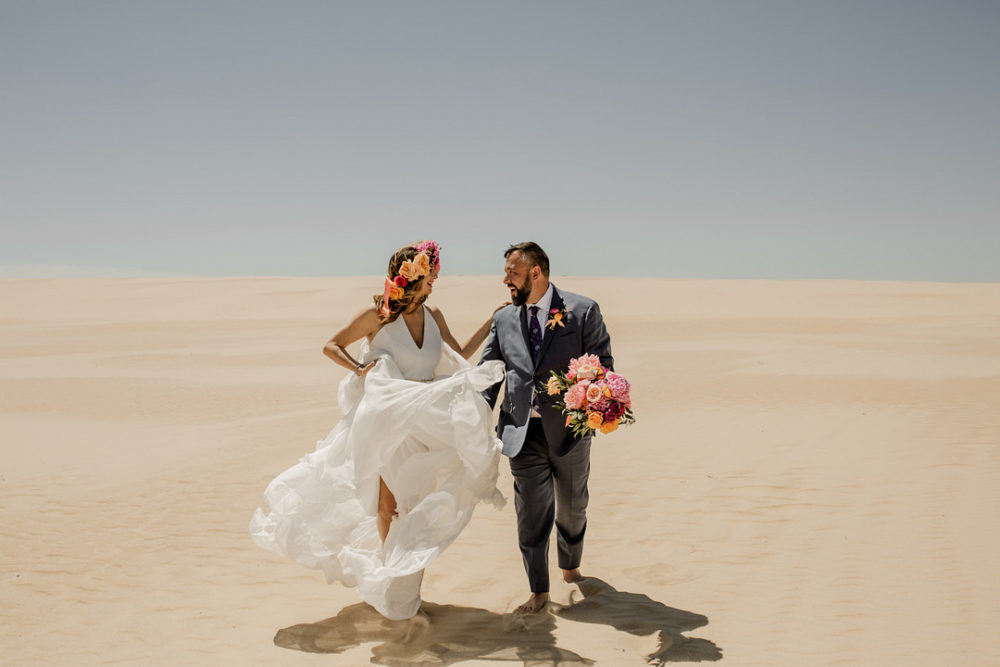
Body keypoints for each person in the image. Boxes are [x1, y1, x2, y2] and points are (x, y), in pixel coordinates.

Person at [250, 240, 507, 620]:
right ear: (414, 276)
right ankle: (395, 587)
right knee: (390, 505)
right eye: (431, 273)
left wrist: (492, 320)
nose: (435, 280)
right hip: (387, 421)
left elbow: (460, 354)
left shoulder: (434, 314)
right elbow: (331, 345)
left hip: (426, 419)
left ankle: (405, 585)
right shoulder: (378, 315)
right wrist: (358, 368)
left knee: (417, 504)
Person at [480, 242, 614, 614]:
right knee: (531, 513)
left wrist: (591, 393)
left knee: (572, 507)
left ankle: (570, 566)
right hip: (521, 431)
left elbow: (603, 362)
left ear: (535, 272)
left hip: (571, 431)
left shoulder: (583, 311)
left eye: (512, 272)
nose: (506, 278)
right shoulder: (503, 319)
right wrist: (474, 416)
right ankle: (539, 591)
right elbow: (488, 375)